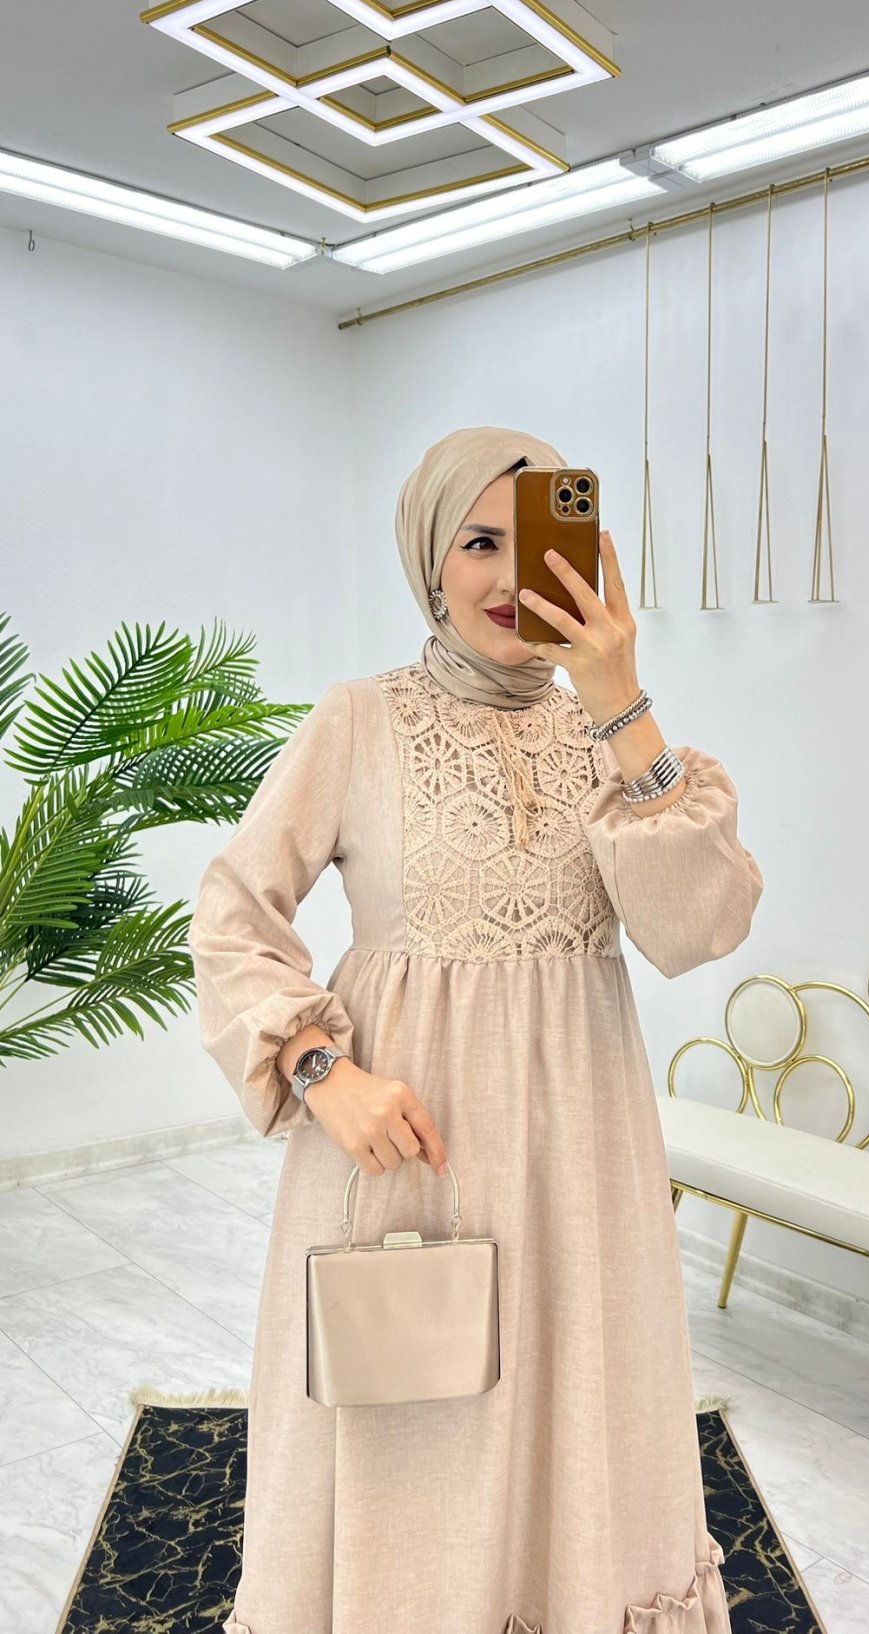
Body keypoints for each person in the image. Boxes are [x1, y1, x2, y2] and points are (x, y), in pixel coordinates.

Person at [188, 424, 764, 1634]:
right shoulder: (358, 720)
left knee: (578, 1409)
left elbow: (695, 927)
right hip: (409, 1152)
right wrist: (318, 1065)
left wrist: (619, 702)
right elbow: (233, 910)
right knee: (413, 1421)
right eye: (478, 543)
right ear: (428, 559)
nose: (507, 579)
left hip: (579, 1163)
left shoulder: (613, 738)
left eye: (534, 543)